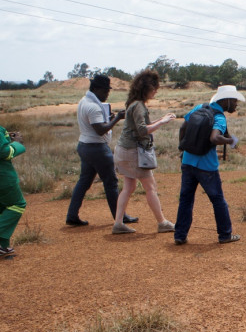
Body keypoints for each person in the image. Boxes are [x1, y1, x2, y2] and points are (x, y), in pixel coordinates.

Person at [173, 85, 243, 245]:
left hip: (188, 161)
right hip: (207, 165)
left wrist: (182, 148)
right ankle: (225, 234)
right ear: (226, 100)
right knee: (218, 199)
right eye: (234, 100)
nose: (236, 104)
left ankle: (180, 235)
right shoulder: (219, 117)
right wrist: (230, 140)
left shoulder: (200, 107)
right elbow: (214, 138)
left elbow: (183, 127)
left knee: (185, 199)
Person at [66, 75, 138, 227]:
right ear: (96, 89)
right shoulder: (93, 106)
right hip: (97, 148)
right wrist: (117, 118)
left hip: (84, 145)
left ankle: (72, 215)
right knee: (111, 183)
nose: (107, 94)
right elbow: (100, 130)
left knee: (84, 181)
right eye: (105, 90)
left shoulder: (84, 101)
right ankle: (120, 217)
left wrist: (109, 119)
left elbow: (98, 125)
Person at [112, 70, 176, 234]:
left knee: (128, 187)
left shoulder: (133, 104)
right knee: (150, 186)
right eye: (154, 88)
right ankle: (162, 222)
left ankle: (118, 222)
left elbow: (140, 127)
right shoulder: (139, 106)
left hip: (123, 151)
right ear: (146, 88)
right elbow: (142, 130)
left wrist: (161, 120)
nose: (156, 91)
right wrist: (162, 122)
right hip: (134, 152)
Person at [0, 93, 26, 256]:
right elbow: (4, 152)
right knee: (17, 204)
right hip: (0, 176)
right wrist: (17, 144)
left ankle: (1, 247)